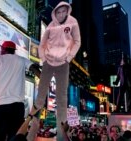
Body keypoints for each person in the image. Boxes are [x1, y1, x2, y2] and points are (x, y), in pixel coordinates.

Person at [26, 1, 81, 141]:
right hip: (48, 62)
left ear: (68, 11)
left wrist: (68, 58)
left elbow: (77, 41)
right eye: (59, 11)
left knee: (61, 97)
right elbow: (42, 44)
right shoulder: (50, 25)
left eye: (64, 11)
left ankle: (62, 132)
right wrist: (43, 58)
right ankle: (32, 117)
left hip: (63, 63)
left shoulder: (73, 22)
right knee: (41, 93)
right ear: (55, 12)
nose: (61, 14)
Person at [0, 41, 40, 141]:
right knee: (15, 136)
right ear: (13, 51)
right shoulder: (22, 60)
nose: (1, 50)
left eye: (1, 49)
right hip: (17, 106)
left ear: (4, 49)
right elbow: (36, 70)